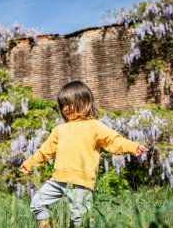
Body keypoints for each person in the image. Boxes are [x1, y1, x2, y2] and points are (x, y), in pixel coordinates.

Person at [19, 80, 148, 228]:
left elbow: (113, 140)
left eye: (69, 104)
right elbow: (45, 151)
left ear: (83, 102)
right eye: (63, 105)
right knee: (37, 203)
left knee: (79, 220)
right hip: (57, 180)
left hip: (81, 183)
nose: (65, 109)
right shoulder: (60, 130)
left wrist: (132, 146)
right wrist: (29, 163)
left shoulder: (94, 126)